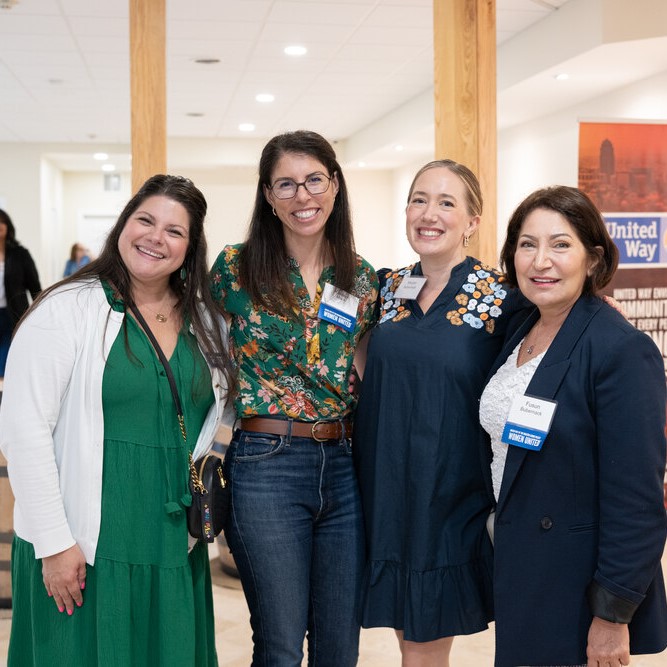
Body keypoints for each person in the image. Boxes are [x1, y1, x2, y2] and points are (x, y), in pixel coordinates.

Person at [0, 174, 235, 666]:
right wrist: (54, 542)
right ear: (122, 226)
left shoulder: (207, 320)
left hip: (172, 538)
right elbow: (23, 431)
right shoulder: (66, 309)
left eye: (175, 231)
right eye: (145, 220)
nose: (155, 237)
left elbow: (220, 405)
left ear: (190, 247)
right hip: (83, 542)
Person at [479, 185, 667, 667]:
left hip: (576, 583)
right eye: (527, 244)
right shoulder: (524, 323)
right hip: (522, 562)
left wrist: (612, 615)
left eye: (560, 244)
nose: (541, 260)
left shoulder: (620, 350)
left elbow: (638, 500)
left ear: (593, 258)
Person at [210, 130, 378, 666]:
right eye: (286, 184)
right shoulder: (236, 268)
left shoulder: (361, 278)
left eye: (314, 181)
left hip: (345, 467)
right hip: (266, 464)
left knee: (339, 647)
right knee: (280, 646)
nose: (302, 196)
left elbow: (366, 367)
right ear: (267, 195)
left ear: (334, 185)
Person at [353, 159, 529, 666]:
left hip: (450, 492)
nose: (429, 213)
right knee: (406, 632)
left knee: (424, 646)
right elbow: (364, 361)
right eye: (419, 199)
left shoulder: (502, 299)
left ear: (472, 222)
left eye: (447, 203)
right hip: (384, 487)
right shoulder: (387, 289)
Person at [0, 208, 41, 377]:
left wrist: (40, 314)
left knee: (8, 358)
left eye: (1, 221)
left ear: (7, 226)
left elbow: (35, 286)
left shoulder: (20, 254)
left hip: (12, 313)